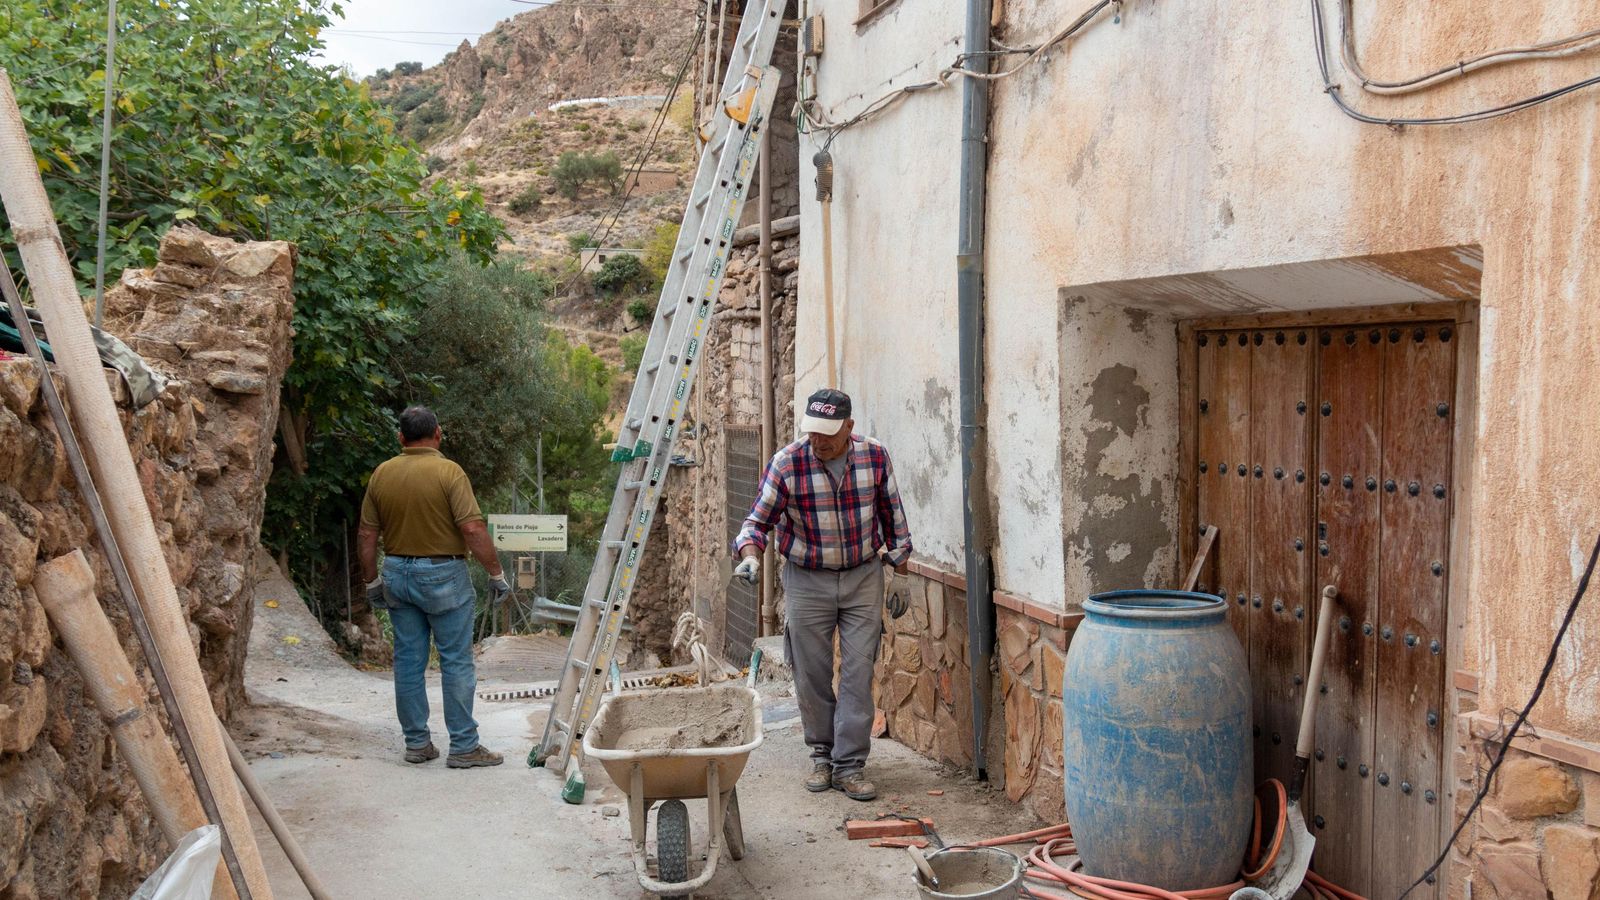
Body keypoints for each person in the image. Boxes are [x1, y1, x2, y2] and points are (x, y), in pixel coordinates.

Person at [733, 388, 913, 801]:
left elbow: (893, 518)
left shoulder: (875, 456)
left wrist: (900, 574)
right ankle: (822, 755)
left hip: (863, 576)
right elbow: (757, 521)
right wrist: (750, 557)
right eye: (812, 432)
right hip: (807, 579)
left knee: (857, 674)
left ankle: (850, 766)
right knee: (811, 673)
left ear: (849, 427)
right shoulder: (787, 463)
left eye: (828, 434)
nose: (819, 441)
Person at [356, 405, 511, 768]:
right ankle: (463, 746)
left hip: (396, 572)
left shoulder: (383, 474)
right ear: (438, 434)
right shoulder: (449, 472)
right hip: (444, 575)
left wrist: (371, 581)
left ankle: (417, 744)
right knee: (456, 660)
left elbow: (367, 533)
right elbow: (472, 529)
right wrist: (495, 573)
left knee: (408, 661)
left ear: (400, 438)